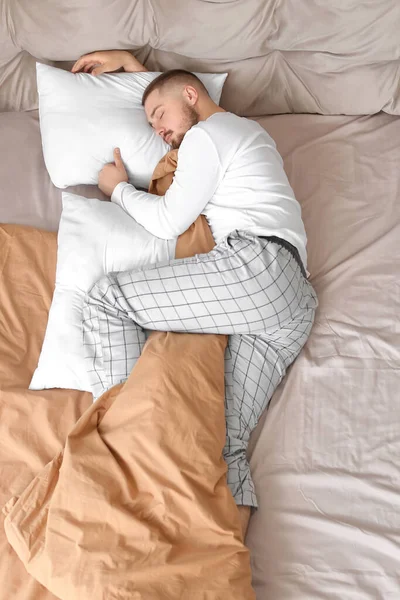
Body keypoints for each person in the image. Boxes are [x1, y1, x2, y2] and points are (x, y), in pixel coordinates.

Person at [72, 50, 318, 538]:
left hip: (257, 270)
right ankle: (218, 552)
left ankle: (122, 442)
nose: (159, 132)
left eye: (159, 119)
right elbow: (173, 93)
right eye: (152, 126)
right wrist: (133, 62)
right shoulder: (246, 135)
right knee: (225, 445)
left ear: (191, 95)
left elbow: (169, 219)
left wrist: (117, 188)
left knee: (106, 298)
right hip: (293, 305)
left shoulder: (209, 134)